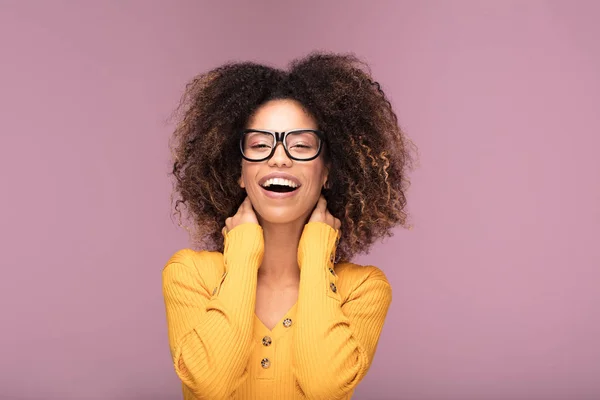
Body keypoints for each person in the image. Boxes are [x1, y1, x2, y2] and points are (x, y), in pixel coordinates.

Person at [163, 52, 414, 400]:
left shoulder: (362, 288)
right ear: (239, 172)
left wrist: (316, 255)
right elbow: (210, 385)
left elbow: (325, 386)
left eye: (300, 145)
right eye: (260, 144)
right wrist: (244, 251)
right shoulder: (189, 274)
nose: (279, 157)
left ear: (327, 172)